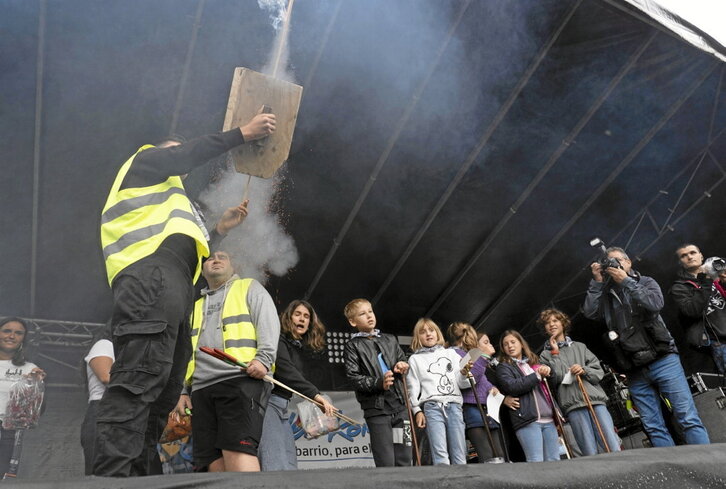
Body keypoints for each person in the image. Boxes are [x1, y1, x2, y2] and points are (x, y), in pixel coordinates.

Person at [94, 112, 275, 477]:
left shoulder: (172, 201)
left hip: (173, 287)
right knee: (139, 381)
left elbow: (187, 256)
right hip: (150, 277)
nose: (181, 158)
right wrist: (243, 133)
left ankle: (140, 477)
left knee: (162, 394)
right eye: (175, 152)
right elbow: (183, 155)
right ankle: (109, 479)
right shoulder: (144, 163)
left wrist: (217, 231)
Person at [583, 246, 709, 447]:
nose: (615, 265)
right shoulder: (605, 294)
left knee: (687, 417)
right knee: (653, 426)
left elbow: (655, 303)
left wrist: (625, 281)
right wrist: (597, 282)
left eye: (618, 260)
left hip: (663, 359)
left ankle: (706, 464)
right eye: (610, 263)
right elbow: (590, 313)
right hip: (634, 368)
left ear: (628, 262)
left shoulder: (645, 281)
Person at [174, 249, 279, 472]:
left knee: (238, 452)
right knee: (212, 461)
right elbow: (185, 352)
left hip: (240, 381)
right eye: (210, 258)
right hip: (201, 389)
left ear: (234, 267)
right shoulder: (194, 307)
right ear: (202, 270)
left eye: (223, 256)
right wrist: (183, 391)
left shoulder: (249, 287)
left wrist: (264, 360)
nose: (216, 260)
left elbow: (268, 324)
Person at [258, 300, 336, 471]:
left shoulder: (300, 347)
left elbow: (299, 381)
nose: (302, 319)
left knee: (290, 462)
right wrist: (316, 396)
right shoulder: (277, 339)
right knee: (276, 462)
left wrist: (312, 405)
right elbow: (286, 372)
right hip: (268, 403)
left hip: (282, 406)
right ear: (288, 318)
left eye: (306, 316)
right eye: (297, 314)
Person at [538, 308, 621, 456]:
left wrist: (584, 370)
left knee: (611, 443)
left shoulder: (580, 346)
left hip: (594, 399)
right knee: (589, 450)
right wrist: (555, 353)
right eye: (547, 323)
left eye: (555, 320)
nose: (552, 324)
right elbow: (556, 378)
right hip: (573, 404)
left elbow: (598, 372)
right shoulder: (544, 355)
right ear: (544, 328)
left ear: (563, 323)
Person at [343, 299, 411, 467]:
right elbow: (353, 378)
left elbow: (402, 360)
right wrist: (379, 383)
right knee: (386, 459)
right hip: (377, 410)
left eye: (370, 311)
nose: (369, 316)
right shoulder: (352, 346)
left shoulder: (390, 339)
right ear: (353, 322)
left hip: (400, 407)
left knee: (404, 454)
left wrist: (402, 365)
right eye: (362, 314)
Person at [406, 318, 470, 465]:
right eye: (423, 332)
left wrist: (465, 373)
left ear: (437, 333)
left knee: (460, 454)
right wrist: (417, 410)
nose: (428, 334)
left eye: (431, 330)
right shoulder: (415, 359)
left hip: (454, 405)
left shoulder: (452, 354)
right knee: (440, 455)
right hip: (432, 407)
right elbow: (412, 388)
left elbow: (462, 383)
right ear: (417, 337)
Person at [496, 330, 560, 462]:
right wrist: (536, 375)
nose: (510, 346)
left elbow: (554, 385)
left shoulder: (533, 362)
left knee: (554, 460)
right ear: (503, 349)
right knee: (536, 461)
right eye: (506, 344)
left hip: (549, 419)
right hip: (528, 421)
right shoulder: (504, 367)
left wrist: (549, 372)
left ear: (521, 344)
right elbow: (512, 387)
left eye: (513, 342)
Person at [446, 322, 503, 462]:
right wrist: (482, 357)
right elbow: (472, 377)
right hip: (471, 405)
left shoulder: (466, 353)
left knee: (498, 453)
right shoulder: (456, 353)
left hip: (486, 405)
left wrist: (491, 388)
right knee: (487, 453)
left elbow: (481, 379)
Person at [670, 243, 726, 375]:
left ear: (701, 255)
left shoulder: (718, 274)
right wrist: (706, 280)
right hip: (719, 342)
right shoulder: (679, 288)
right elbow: (692, 311)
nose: (689, 257)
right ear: (680, 262)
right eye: (684, 256)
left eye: (693, 252)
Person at [0, 317, 45, 476]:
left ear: (24, 339)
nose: (12, 336)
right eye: (7, 331)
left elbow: (36, 410)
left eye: (18, 333)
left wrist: (35, 387)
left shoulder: (30, 368)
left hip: (8, 430)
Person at [81, 322, 114, 475]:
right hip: (102, 411)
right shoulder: (104, 344)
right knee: (99, 471)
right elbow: (106, 377)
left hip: (119, 412)